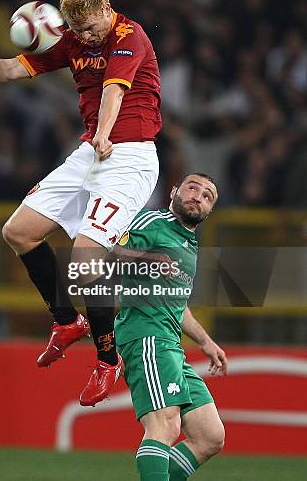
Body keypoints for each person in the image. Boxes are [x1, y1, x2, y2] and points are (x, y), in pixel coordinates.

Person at [0, 0, 161, 405]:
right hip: (90, 152)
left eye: (92, 28)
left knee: (86, 259)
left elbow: (113, 90)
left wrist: (105, 134)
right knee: (18, 231)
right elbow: (15, 66)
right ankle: (66, 320)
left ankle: (108, 359)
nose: (88, 37)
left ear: (106, 8)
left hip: (128, 156)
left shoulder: (131, 36)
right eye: (79, 31)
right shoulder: (74, 40)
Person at [114, 173, 227, 480]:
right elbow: (109, 252)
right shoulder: (153, 221)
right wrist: (148, 259)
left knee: (210, 436)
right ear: (175, 191)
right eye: (193, 187)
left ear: (209, 211)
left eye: (208, 196)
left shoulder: (188, 243)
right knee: (165, 425)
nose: (198, 196)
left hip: (171, 344)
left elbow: (177, 304)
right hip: (145, 335)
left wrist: (205, 341)